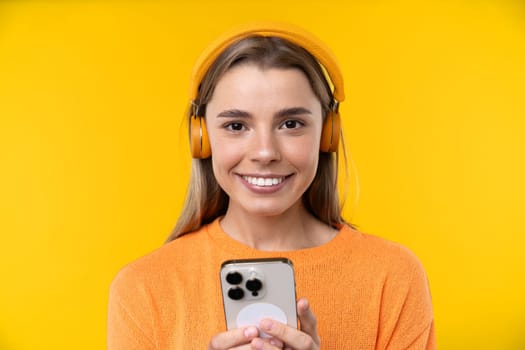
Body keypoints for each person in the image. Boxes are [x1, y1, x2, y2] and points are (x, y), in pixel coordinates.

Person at [107, 22, 435, 349]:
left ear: (327, 133)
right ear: (202, 139)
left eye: (291, 124)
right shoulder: (142, 288)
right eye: (236, 125)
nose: (265, 152)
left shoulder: (392, 277)